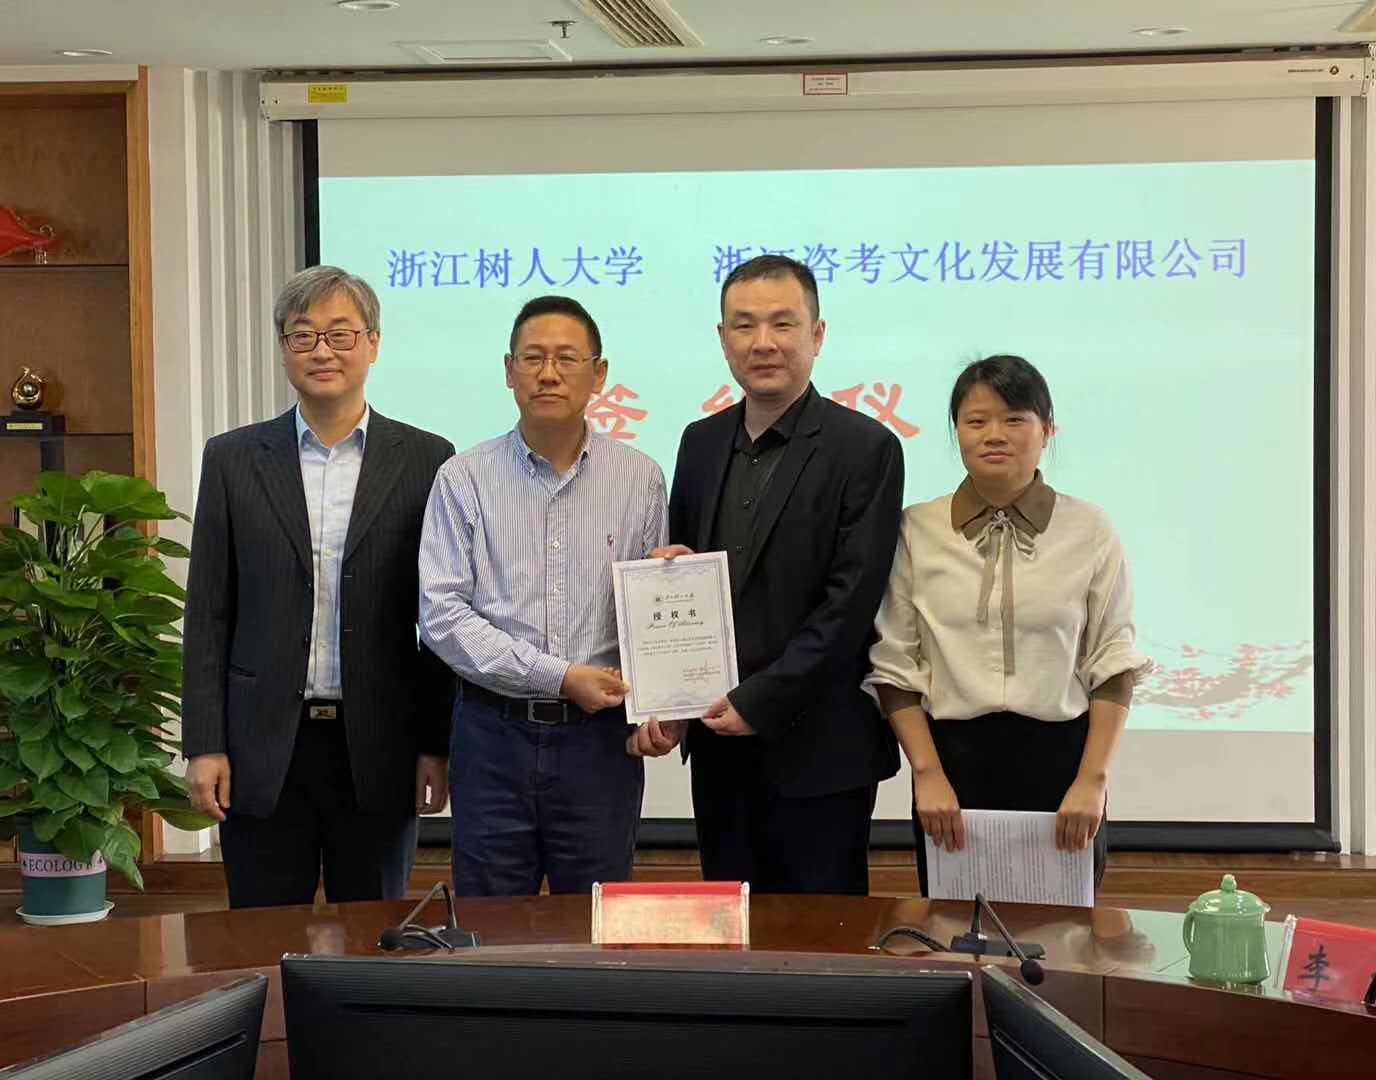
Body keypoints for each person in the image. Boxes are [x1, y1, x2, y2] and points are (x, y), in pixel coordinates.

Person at [181, 265, 455, 909]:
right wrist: (204, 744)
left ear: (373, 343)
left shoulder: (427, 459)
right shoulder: (232, 459)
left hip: (379, 744)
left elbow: (440, 620)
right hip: (261, 744)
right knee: (258, 934)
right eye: (302, 336)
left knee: (375, 933)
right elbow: (209, 613)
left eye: (340, 334)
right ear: (283, 349)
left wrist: (434, 745)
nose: (321, 351)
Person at [635, 254, 905, 895]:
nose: (763, 342)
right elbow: (688, 575)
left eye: (783, 323)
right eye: (744, 324)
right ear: (722, 337)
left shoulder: (865, 448)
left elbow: (849, 604)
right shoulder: (700, 443)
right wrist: (668, 688)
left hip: (820, 752)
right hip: (718, 747)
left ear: (817, 334)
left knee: (821, 941)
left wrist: (759, 701)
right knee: (729, 930)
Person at [864, 354, 1150, 894]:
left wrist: (1093, 781)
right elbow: (895, 663)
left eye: (1014, 419)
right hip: (951, 766)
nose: (994, 434)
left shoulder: (1089, 528)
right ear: (956, 431)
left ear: (1047, 430)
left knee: (1062, 932)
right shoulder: (917, 528)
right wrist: (926, 774)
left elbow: (1113, 663)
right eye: (976, 421)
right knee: (954, 927)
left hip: (1062, 765)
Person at [419, 295, 667, 897]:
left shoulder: (640, 477)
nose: (548, 373)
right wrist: (559, 676)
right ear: (509, 371)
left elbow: (653, 616)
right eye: (532, 358)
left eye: (566, 359)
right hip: (492, 736)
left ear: (598, 374)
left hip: (600, 744)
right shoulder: (464, 477)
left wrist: (664, 701)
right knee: (492, 924)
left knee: (598, 921)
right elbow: (442, 616)